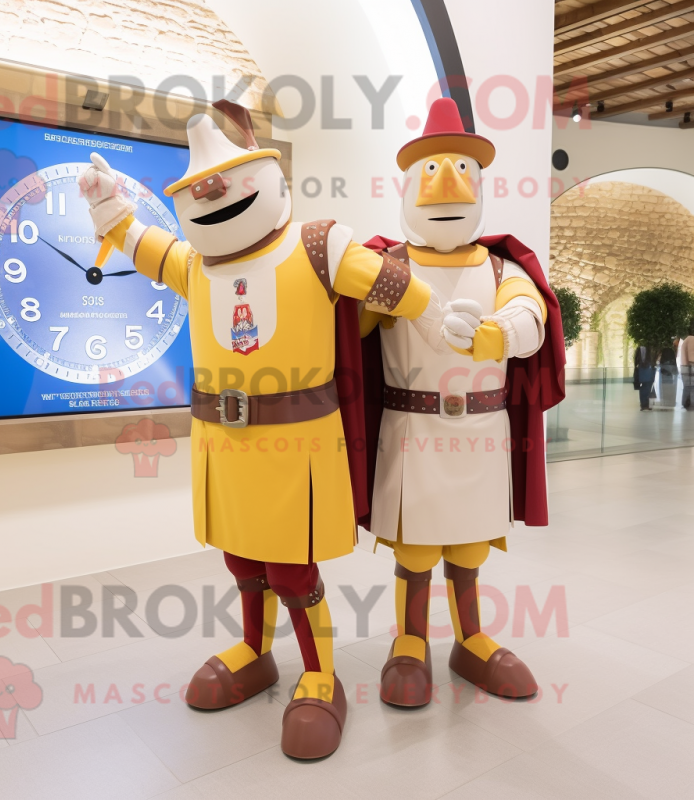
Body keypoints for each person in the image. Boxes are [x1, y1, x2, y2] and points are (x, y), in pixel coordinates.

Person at [76, 100, 442, 759]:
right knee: (241, 557)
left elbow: (394, 287)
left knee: (290, 567)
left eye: (228, 183)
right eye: (197, 195)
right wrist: (109, 211)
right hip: (223, 447)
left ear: (270, 179)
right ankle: (253, 650)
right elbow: (146, 246)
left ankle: (320, 675)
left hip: (297, 443)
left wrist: (438, 311)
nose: (212, 201)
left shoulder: (316, 247)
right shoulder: (196, 265)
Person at [359, 98, 565, 705]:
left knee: (470, 545)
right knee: (417, 545)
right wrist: (383, 301)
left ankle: (470, 638)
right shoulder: (385, 264)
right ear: (405, 186)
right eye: (428, 170)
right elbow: (353, 333)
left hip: (481, 431)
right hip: (411, 427)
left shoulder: (504, 267)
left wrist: (497, 333)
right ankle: (410, 642)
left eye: (459, 170)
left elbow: (531, 318)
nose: (445, 183)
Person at [634, 346, 657, 411]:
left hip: (645, 371)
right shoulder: (649, 350)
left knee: (644, 389)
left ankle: (644, 404)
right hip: (646, 371)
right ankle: (645, 404)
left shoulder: (642, 350)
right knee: (646, 388)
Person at [680, 320, 694, 410]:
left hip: (684, 366)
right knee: (692, 386)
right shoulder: (692, 339)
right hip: (692, 364)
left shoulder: (686, 340)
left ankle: (685, 402)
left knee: (687, 386)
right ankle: (690, 402)